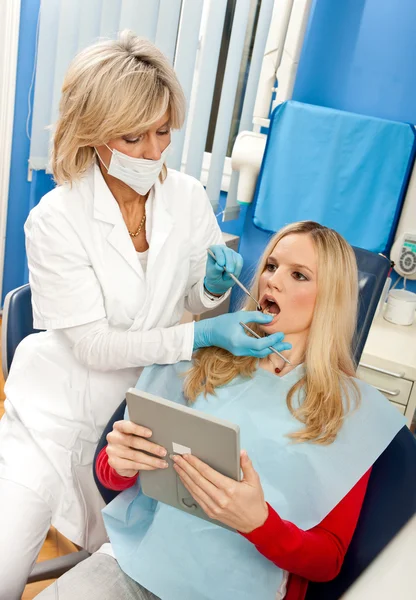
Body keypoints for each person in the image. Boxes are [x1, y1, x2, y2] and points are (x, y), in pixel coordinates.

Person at [0, 32, 289, 600]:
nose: (153, 151)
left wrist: (208, 291)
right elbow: (94, 347)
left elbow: (203, 301)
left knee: (125, 561)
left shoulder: (186, 197)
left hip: (143, 419)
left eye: (162, 132)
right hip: (53, 417)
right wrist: (202, 332)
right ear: (92, 132)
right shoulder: (54, 219)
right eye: (132, 136)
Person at [35, 221, 405, 600]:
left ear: (331, 298)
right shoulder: (206, 357)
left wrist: (260, 523)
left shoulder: (347, 411)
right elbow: (112, 475)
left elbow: (328, 560)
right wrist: (120, 463)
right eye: (271, 266)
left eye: (298, 275)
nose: (273, 281)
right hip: (139, 562)